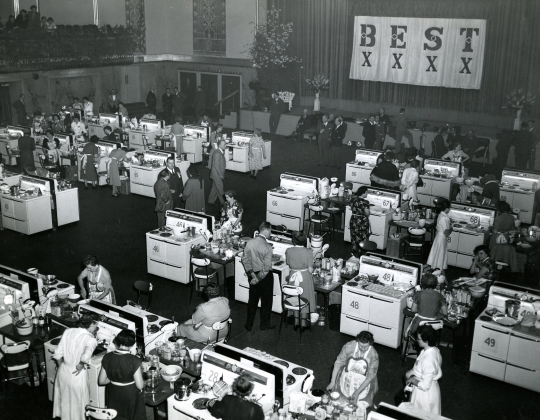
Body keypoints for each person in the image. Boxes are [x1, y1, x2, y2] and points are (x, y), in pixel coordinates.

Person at [52, 314, 99, 420]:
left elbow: (57, 353)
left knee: (65, 401)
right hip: (77, 374)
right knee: (79, 404)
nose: (96, 326)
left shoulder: (68, 331)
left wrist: (61, 367)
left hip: (64, 370)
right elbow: (86, 355)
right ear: (91, 324)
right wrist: (81, 365)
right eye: (96, 324)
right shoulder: (91, 339)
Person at [98, 330, 145, 420]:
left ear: (118, 341)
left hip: (113, 393)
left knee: (116, 416)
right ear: (132, 344)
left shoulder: (107, 356)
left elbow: (102, 381)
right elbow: (140, 386)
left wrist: (115, 379)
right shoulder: (134, 360)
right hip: (129, 394)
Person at [327, 331, 379, 408]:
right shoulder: (349, 346)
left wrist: (357, 393)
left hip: (364, 380)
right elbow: (338, 363)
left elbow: (370, 377)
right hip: (347, 376)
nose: (363, 349)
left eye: (366, 347)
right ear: (357, 341)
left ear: (370, 344)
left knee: (359, 406)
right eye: (360, 345)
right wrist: (332, 381)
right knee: (340, 403)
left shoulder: (373, 355)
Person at [242, 221, 275, 331]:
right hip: (265, 278)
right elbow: (266, 267)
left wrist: (252, 275)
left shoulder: (250, 242)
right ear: (266, 231)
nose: (270, 233)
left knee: (252, 301)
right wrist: (258, 279)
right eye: (270, 231)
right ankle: (264, 324)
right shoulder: (268, 247)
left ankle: (249, 324)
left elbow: (244, 259)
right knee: (266, 301)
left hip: (252, 274)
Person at [405, 325, 443, 415]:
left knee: (422, 415)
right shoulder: (433, 350)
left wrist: (412, 379)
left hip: (425, 396)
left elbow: (425, 386)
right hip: (424, 390)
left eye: (418, 338)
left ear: (426, 340)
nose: (416, 340)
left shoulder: (429, 359)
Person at [285, 231, 315, 329]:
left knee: (295, 299)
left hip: (293, 276)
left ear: (293, 241)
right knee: (304, 299)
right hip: (304, 277)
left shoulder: (289, 250)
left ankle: (296, 322)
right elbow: (310, 270)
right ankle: (303, 324)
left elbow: (288, 263)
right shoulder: (309, 252)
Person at [426, 199, 452, 275]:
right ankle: (439, 275)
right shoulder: (444, 218)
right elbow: (447, 232)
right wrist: (451, 228)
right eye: (449, 208)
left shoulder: (441, 215)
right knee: (440, 257)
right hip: (442, 238)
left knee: (438, 256)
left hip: (439, 237)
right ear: (447, 208)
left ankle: (440, 275)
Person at [349, 186, 371, 254]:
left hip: (353, 219)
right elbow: (367, 213)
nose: (367, 193)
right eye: (367, 192)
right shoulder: (365, 202)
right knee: (363, 237)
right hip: (362, 221)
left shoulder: (353, 199)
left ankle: (353, 252)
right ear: (363, 193)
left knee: (354, 237)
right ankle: (362, 253)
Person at [208, 140, 226, 206]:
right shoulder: (217, 153)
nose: (225, 146)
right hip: (217, 174)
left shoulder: (219, 152)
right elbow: (216, 165)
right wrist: (220, 174)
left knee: (215, 187)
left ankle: (211, 200)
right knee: (220, 187)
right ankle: (224, 203)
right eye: (224, 145)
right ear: (220, 145)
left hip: (216, 174)